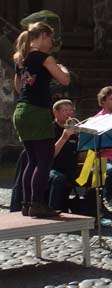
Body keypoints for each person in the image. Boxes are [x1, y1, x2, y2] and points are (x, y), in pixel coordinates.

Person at [12, 22, 70, 217]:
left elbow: (19, 85)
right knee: (44, 160)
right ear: (44, 35)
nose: (52, 42)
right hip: (37, 111)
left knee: (31, 159)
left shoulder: (22, 57)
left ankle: (27, 204)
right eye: (51, 38)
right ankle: (38, 204)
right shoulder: (44, 57)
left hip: (21, 110)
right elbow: (65, 80)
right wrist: (63, 68)